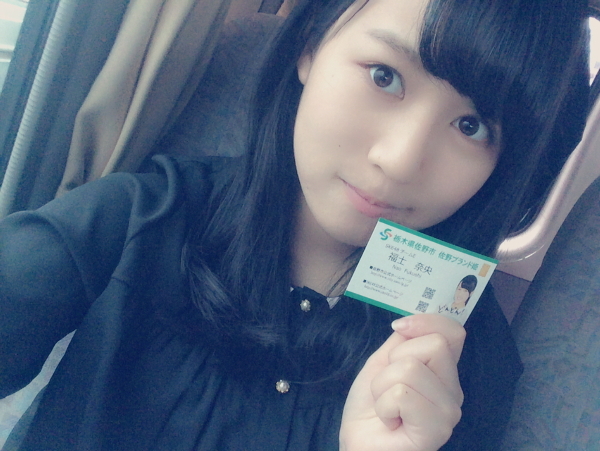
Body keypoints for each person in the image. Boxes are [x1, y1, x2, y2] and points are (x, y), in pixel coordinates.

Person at [0, 0, 589, 450]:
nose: (400, 160)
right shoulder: (141, 216)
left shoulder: (465, 366)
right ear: (311, 46)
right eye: (384, 76)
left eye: (471, 127)